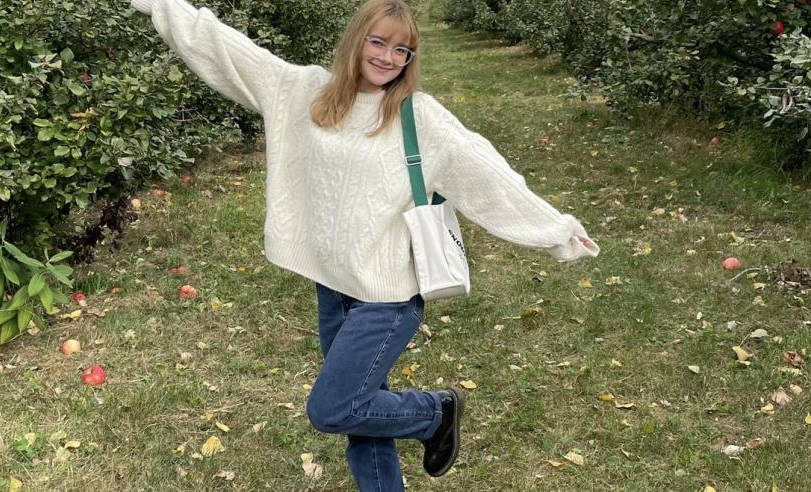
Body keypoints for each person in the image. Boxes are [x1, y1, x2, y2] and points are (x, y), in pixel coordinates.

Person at [129, 0, 600, 489]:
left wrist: (556, 228)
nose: (388, 57)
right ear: (356, 40)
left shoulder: (419, 117)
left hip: (387, 297)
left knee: (336, 407)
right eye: (378, 42)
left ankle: (434, 413)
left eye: (403, 50)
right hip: (333, 287)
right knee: (362, 417)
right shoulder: (303, 90)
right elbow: (221, 45)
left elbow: (486, 173)